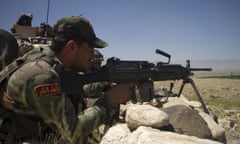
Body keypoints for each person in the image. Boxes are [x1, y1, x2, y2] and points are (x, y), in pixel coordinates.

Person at [4, 16, 134, 143]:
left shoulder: (45, 58)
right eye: (89, 49)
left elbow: (73, 87)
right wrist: (109, 100)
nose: (93, 55)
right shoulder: (43, 77)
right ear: (71, 47)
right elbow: (72, 131)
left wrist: (105, 84)